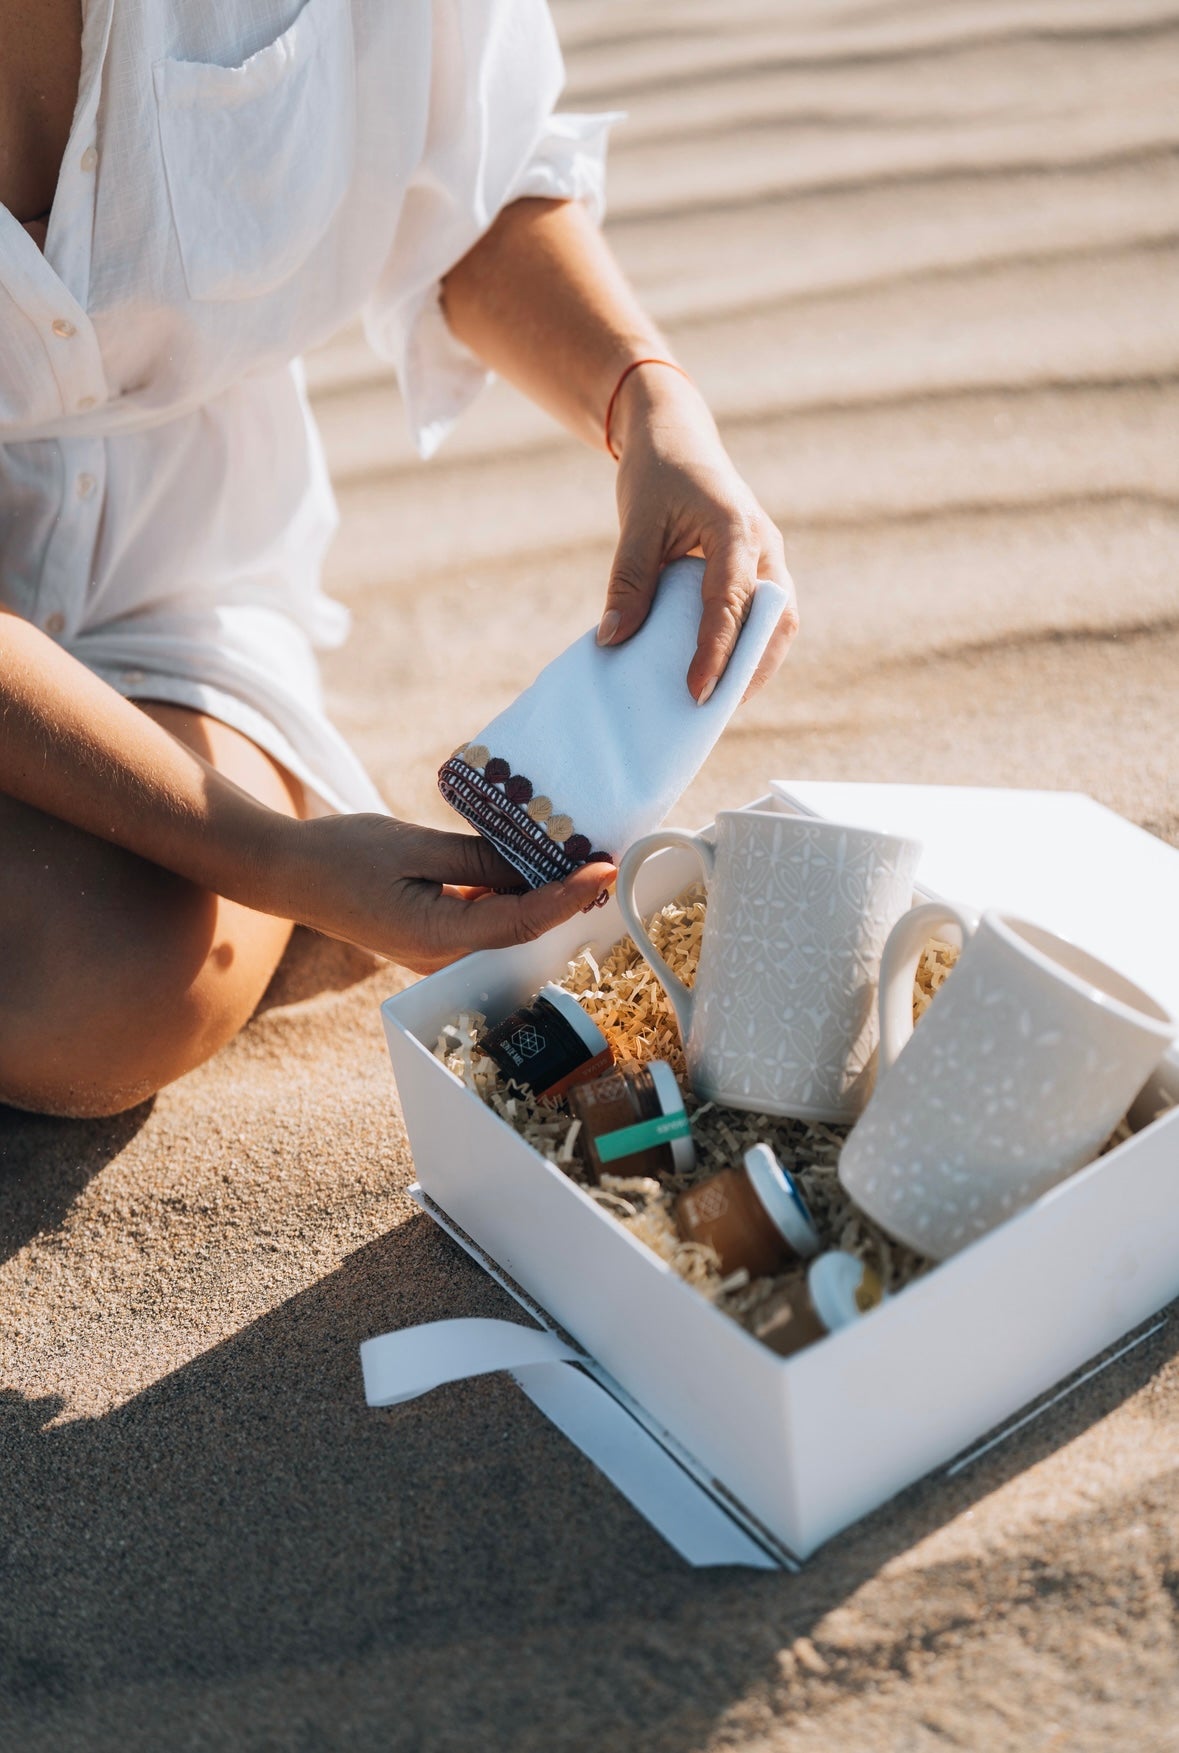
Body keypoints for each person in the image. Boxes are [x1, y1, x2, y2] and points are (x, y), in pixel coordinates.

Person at [0, 0, 798, 1119]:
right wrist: (285, 862)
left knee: (95, 990)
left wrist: (645, 396)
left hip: (174, 556)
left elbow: (473, 189)